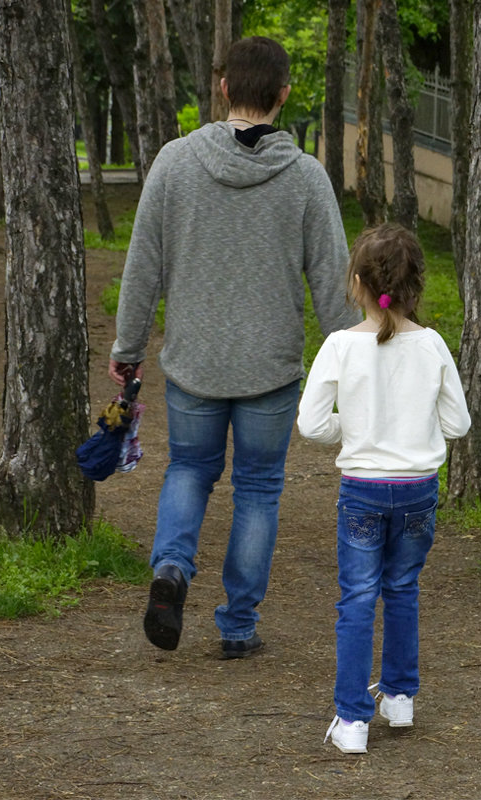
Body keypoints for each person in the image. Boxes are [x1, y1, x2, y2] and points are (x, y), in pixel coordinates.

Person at [108, 36, 359, 659]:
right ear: (283, 95)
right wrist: (358, 354)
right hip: (269, 370)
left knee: (189, 470)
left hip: (194, 361)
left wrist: (128, 345)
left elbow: (144, 265)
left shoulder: (173, 163)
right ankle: (238, 626)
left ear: (223, 88)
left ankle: (170, 571)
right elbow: (332, 281)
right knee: (258, 488)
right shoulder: (304, 178)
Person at [296, 223, 471, 754]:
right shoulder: (434, 345)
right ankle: (399, 697)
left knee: (356, 598)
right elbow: (457, 424)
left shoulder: (339, 347)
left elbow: (309, 423)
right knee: (402, 590)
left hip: (363, 491)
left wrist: (348, 431)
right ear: (417, 283)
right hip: (418, 489)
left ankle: (352, 722)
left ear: (356, 283)